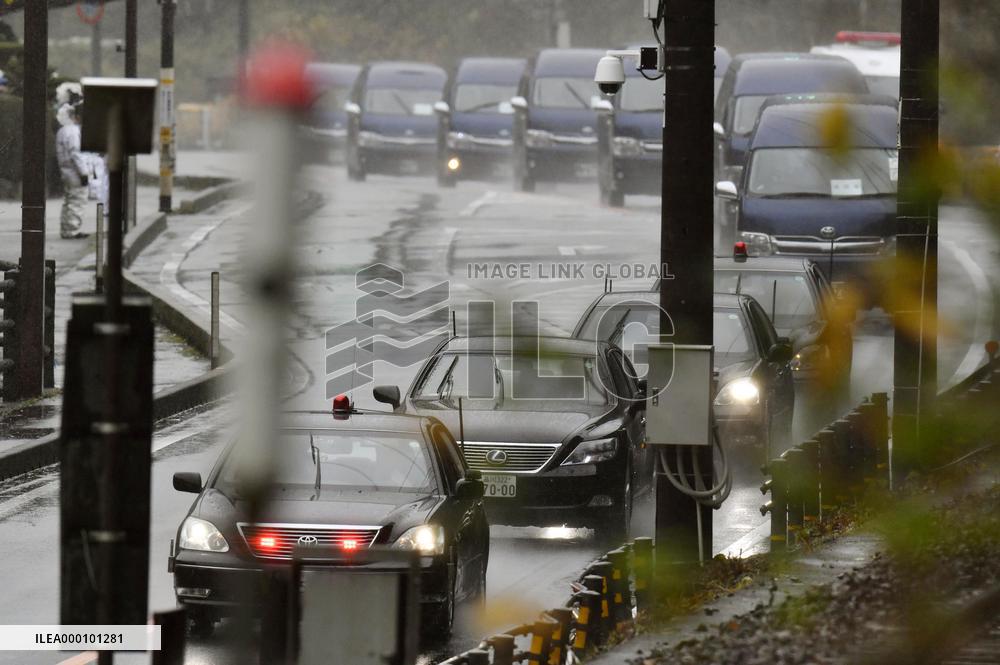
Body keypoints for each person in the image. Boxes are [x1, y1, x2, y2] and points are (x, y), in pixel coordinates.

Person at [55, 103, 89, 239]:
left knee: (68, 200)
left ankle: (66, 228)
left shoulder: (62, 131)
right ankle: (72, 230)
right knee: (77, 200)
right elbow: (76, 154)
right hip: (75, 172)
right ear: (76, 117)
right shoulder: (74, 132)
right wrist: (84, 173)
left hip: (65, 170)